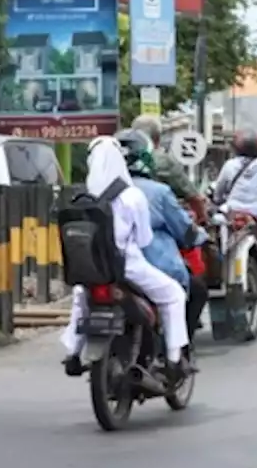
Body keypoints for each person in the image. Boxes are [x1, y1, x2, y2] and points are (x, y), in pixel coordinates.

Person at [60, 136, 192, 381]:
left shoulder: (81, 197)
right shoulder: (132, 196)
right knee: (173, 295)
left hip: (91, 269)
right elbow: (144, 240)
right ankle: (173, 359)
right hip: (128, 267)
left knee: (81, 299)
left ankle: (72, 353)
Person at [116, 130, 210, 336]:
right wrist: (199, 235)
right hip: (152, 266)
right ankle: (177, 353)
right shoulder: (158, 192)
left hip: (104, 270)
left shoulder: (98, 191)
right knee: (192, 292)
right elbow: (186, 231)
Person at [213, 129, 257, 280]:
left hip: (233, 215)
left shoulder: (229, 165)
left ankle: (219, 270)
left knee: (217, 237)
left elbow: (218, 193)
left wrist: (218, 200)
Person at [130, 115, 208, 223]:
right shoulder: (163, 160)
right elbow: (192, 197)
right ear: (157, 138)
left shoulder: (121, 156)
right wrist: (202, 218)